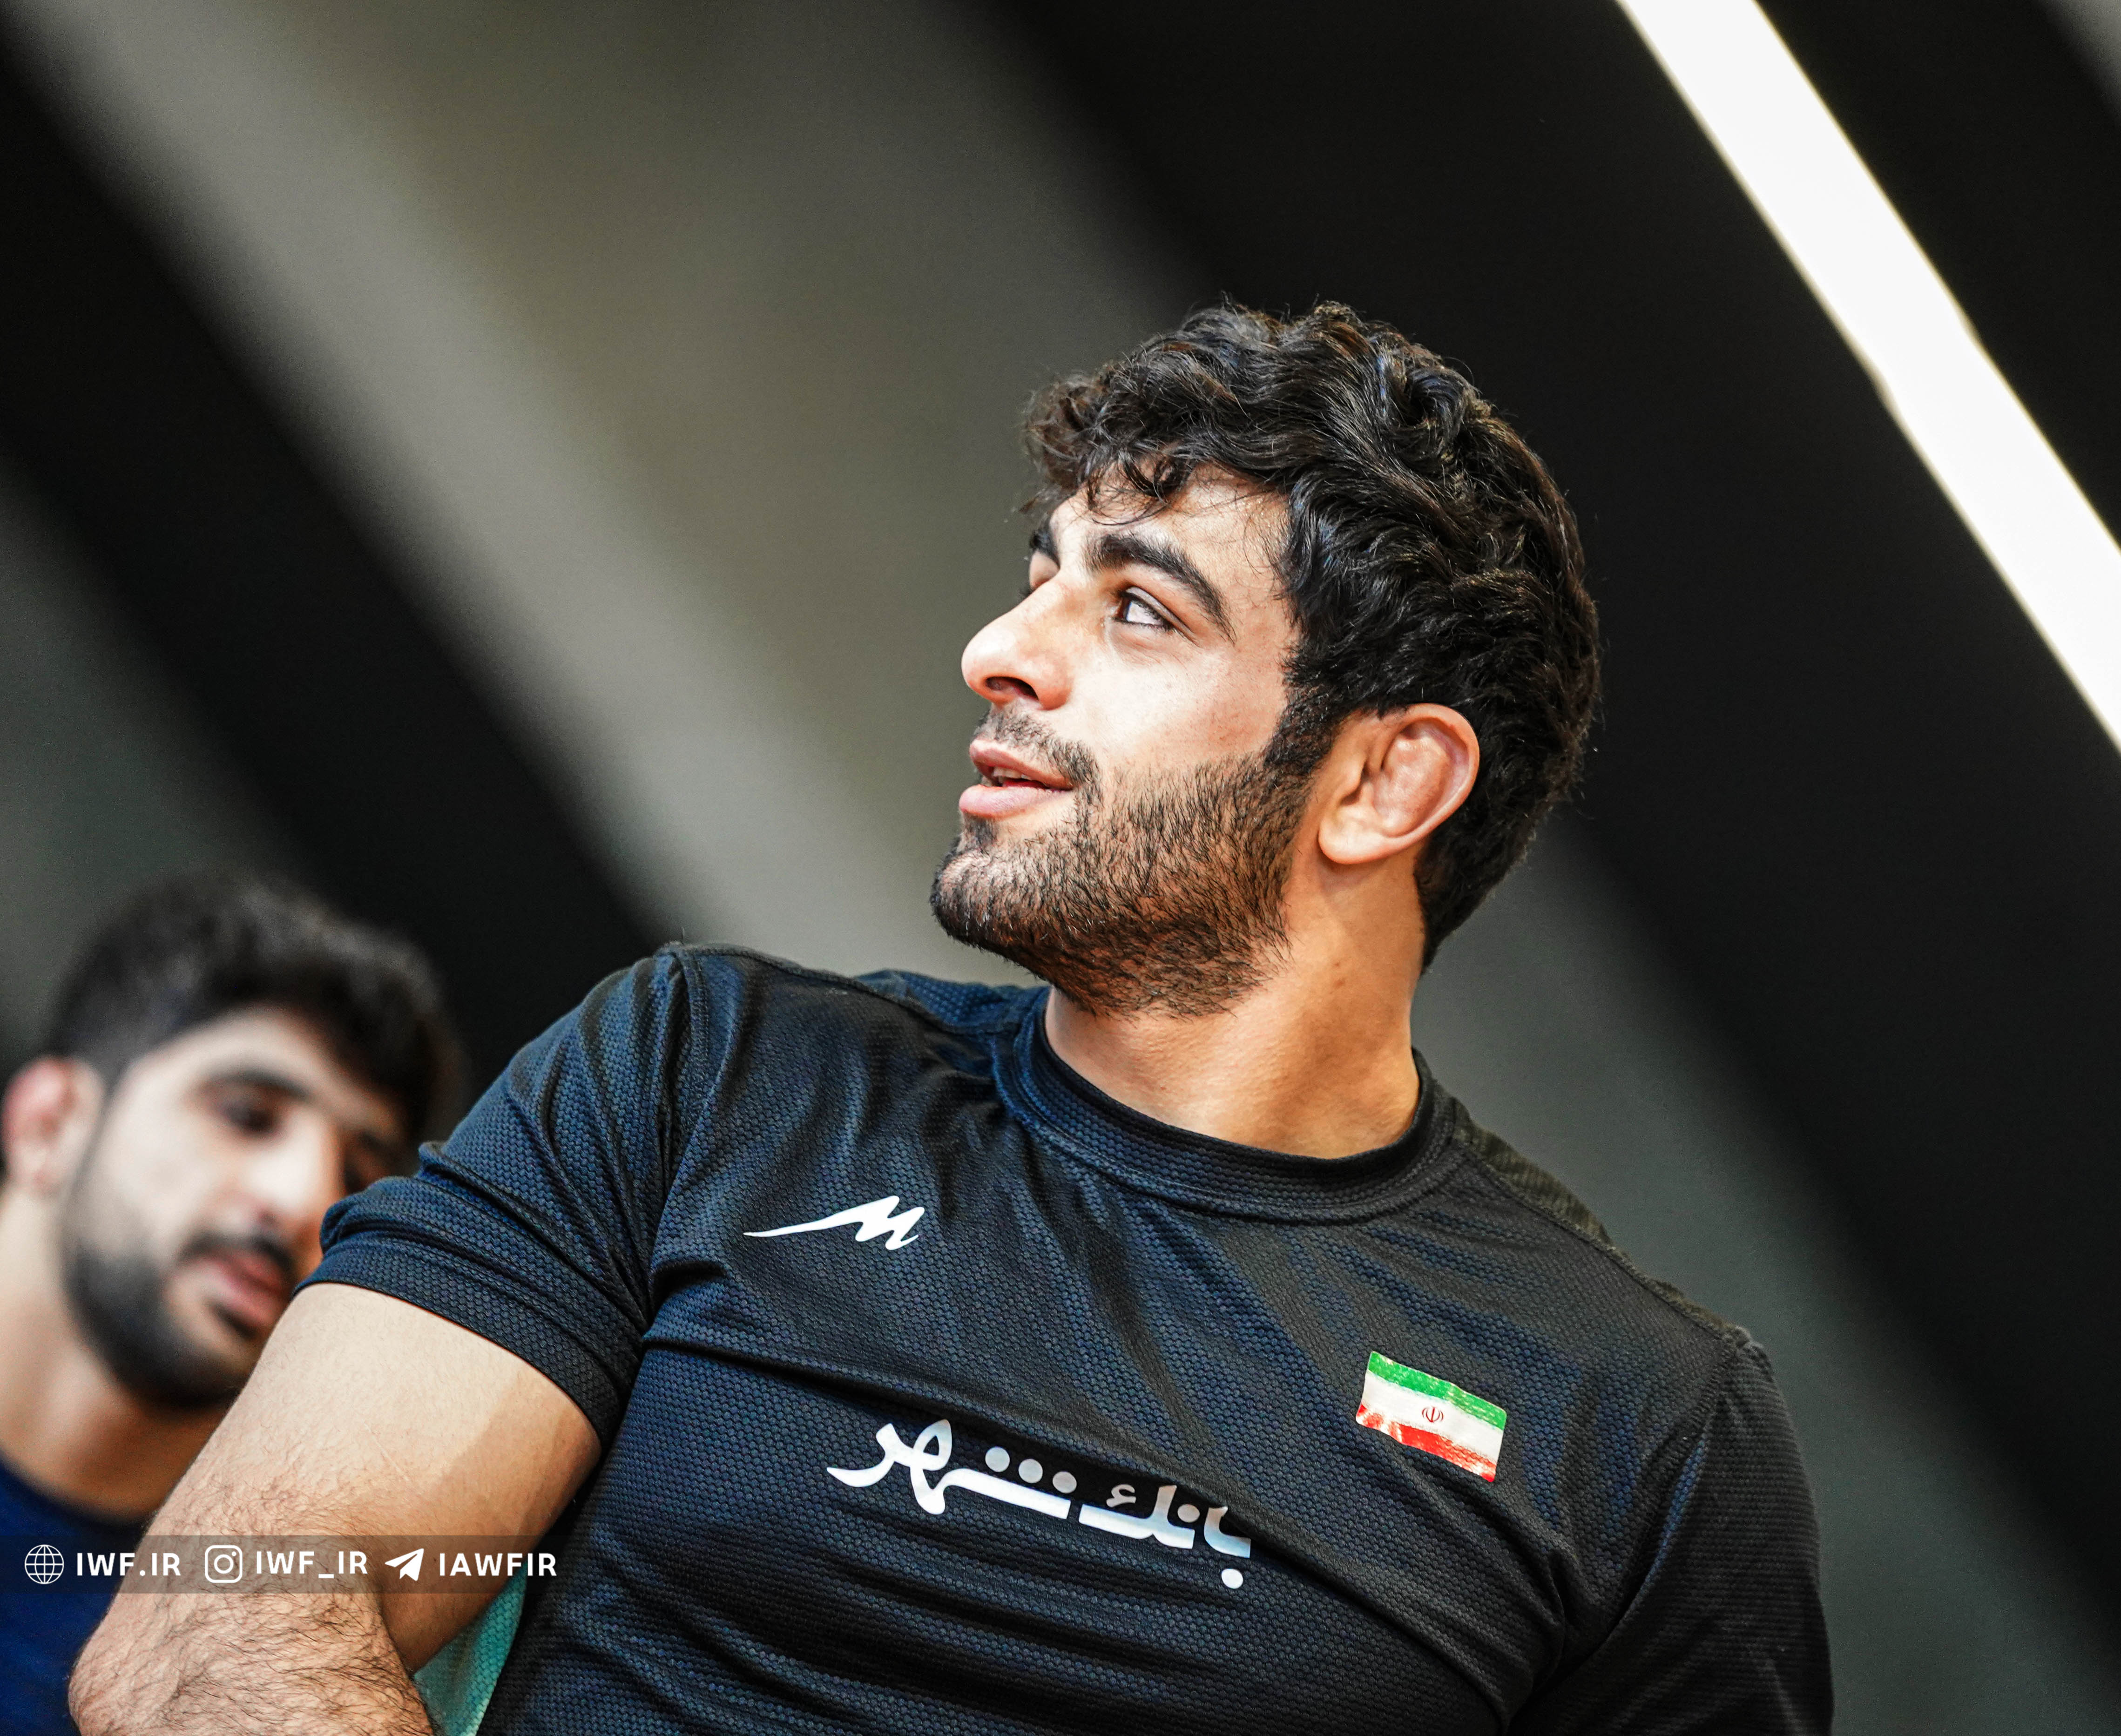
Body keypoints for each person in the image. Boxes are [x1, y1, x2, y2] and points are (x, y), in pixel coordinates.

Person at [74, 305, 1831, 1733]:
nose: (1000, 648)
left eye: (1136, 608)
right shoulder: (708, 1075)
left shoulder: (1638, 1429)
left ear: (1384, 782)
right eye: (1040, 575)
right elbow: (214, 1626)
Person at [1, 875, 461, 1736]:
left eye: (358, 1176)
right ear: (48, 1123)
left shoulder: (278, 1655)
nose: (306, 1200)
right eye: (246, 1114)